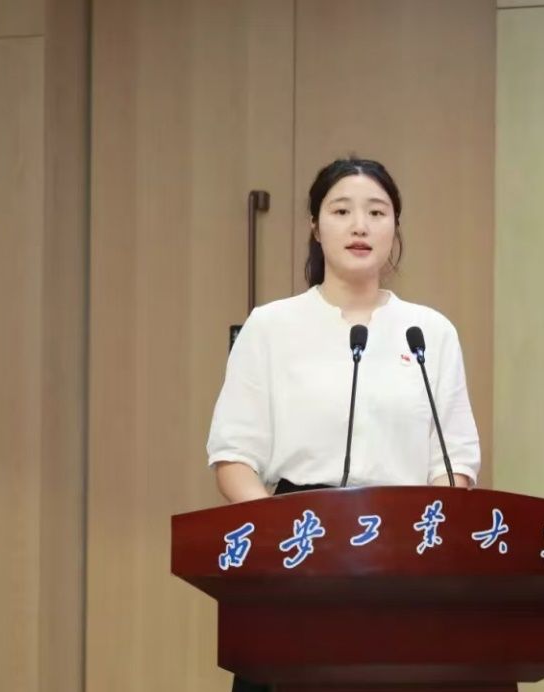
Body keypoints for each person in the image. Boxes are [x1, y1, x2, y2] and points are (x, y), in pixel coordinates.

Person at [205, 157, 481, 691]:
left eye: (376, 212)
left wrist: (422, 538)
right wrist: (283, 537)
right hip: (295, 547)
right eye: (341, 211)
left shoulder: (429, 332)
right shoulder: (271, 326)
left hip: (404, 554)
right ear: (315, 225)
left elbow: (455, 462)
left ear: (395, 226)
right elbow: (233, 456)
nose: (360, 225)